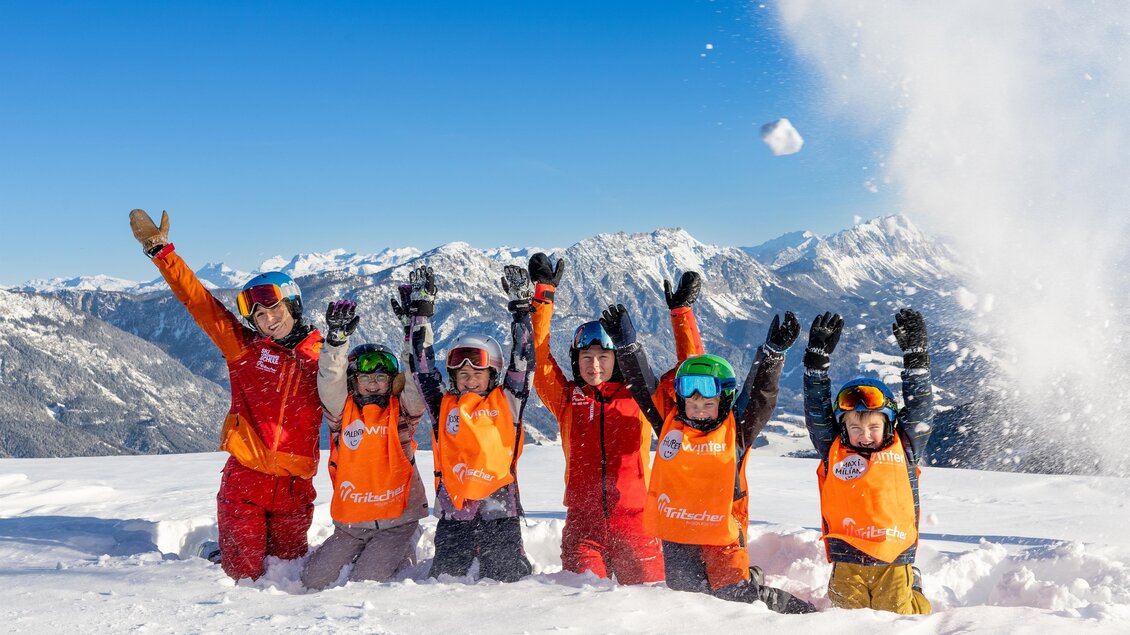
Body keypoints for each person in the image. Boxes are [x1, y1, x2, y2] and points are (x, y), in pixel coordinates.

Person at [127, 209, 323, 580]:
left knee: (288, 571)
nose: (268, 319)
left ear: (293, 305)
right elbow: (200, 303)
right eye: (259, 315)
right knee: (244, 576)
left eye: (274, 308)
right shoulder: (245, 350)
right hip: (245, 482)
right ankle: (217, 553)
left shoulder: (323, 359)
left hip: (295, 490)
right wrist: (161, 252)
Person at [604, 303, 816, 613]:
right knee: (688, 596)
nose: (698, 407)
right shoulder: (669, 423)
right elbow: (644, 387)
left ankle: (796, 611)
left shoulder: (737, 428)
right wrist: (626, 345)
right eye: (691, 401)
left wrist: (771, 354)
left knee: (736, 595)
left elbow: (760, 395)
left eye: (709, 401)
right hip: (678, 532)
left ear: (725, 399)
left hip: (723, 532)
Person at [527, 252, 705, 584]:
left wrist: (681, 314)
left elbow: (692, 367)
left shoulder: (639, 394)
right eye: (586, 357)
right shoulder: (568, 399)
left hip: (637, 523)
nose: (594, 365)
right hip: (583, 527)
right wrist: (544, 295)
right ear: (576, 360)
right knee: (579, 607)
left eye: (603, 357)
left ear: (617, 359)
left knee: (647, 609)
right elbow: (538, 356)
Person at [398, 264, 535, 582]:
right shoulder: (443, 406)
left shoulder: (508, 402)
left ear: (493, 375)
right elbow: (422, 367)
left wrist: (521, 309)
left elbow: (524, 358)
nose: (470, 379)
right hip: (454, 512)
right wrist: (422, 311)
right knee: (446, 577)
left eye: (477, 373)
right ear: (454, 377)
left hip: (499, 508)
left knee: (506, 576)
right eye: (462, 374)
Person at [802, 309, 933, 614]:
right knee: (846, 620)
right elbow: (816, 413)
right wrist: (816, 366)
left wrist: (916, 359)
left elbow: (921, 411)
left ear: (889, 424)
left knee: (899, 618)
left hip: (894, 554)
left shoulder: (905, 446)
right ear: (843, 427)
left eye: (874, 427)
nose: (864, 435)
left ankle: (916, 589)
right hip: (847, 555)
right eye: (855, 428)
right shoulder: (833, 447)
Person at [300, 299, 431, 589]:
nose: (373, 384)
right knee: (312, 579)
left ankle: (408, 543)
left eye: (381, 377)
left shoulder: (402, 414)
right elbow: (329, 380)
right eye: (365, 377)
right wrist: (335, 344)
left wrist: (414, 330)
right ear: (353, 381)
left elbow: (415, 378)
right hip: (352, 524)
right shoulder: (341, 415)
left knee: (366, 580)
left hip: (396, 521)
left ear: (391, 381)